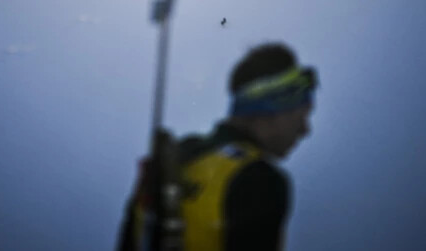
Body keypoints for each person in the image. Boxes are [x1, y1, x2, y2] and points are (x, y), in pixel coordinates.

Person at [117, 42, 318, 251]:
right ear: (273, 105)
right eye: (302, 115)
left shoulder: (169, 161)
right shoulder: (260, 179)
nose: (305, 130)